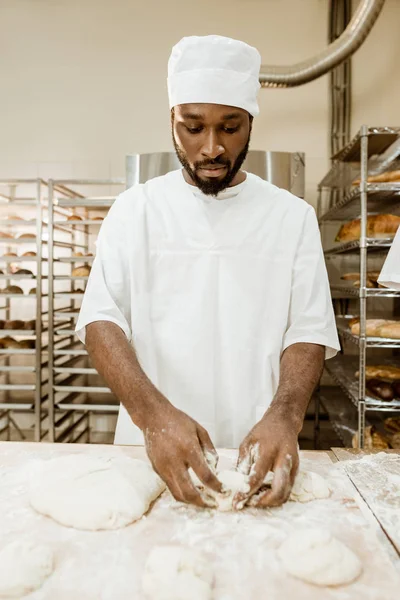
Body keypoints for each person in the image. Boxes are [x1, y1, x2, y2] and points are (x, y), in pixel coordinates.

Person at [76, 35, 340, 510]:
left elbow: (308, 327)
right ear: (172, 121)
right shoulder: (135, 210)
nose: (212, 148)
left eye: (230, 127)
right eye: (193, 128)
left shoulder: (291, 216)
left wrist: (286, 416)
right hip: (150, 454)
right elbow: (101, 321)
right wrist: (153, 419)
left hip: (255, 454)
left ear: (251, 124)